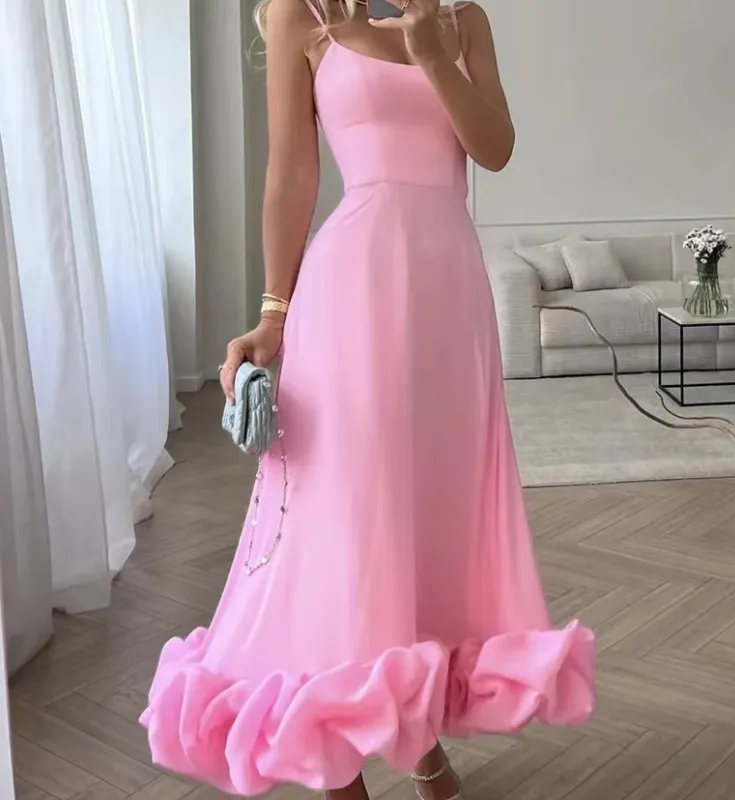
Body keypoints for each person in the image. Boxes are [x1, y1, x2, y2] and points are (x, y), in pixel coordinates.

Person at [140, 1, 595, 797]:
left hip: (450, 299)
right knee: (345, 519)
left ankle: (418, 739)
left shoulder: (462, 17)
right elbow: (292, 173)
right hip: (353, 289)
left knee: (426, 520)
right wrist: (273, 315)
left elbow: (494, 149)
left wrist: (431, 50)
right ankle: (335, 762)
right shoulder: (302, 12)